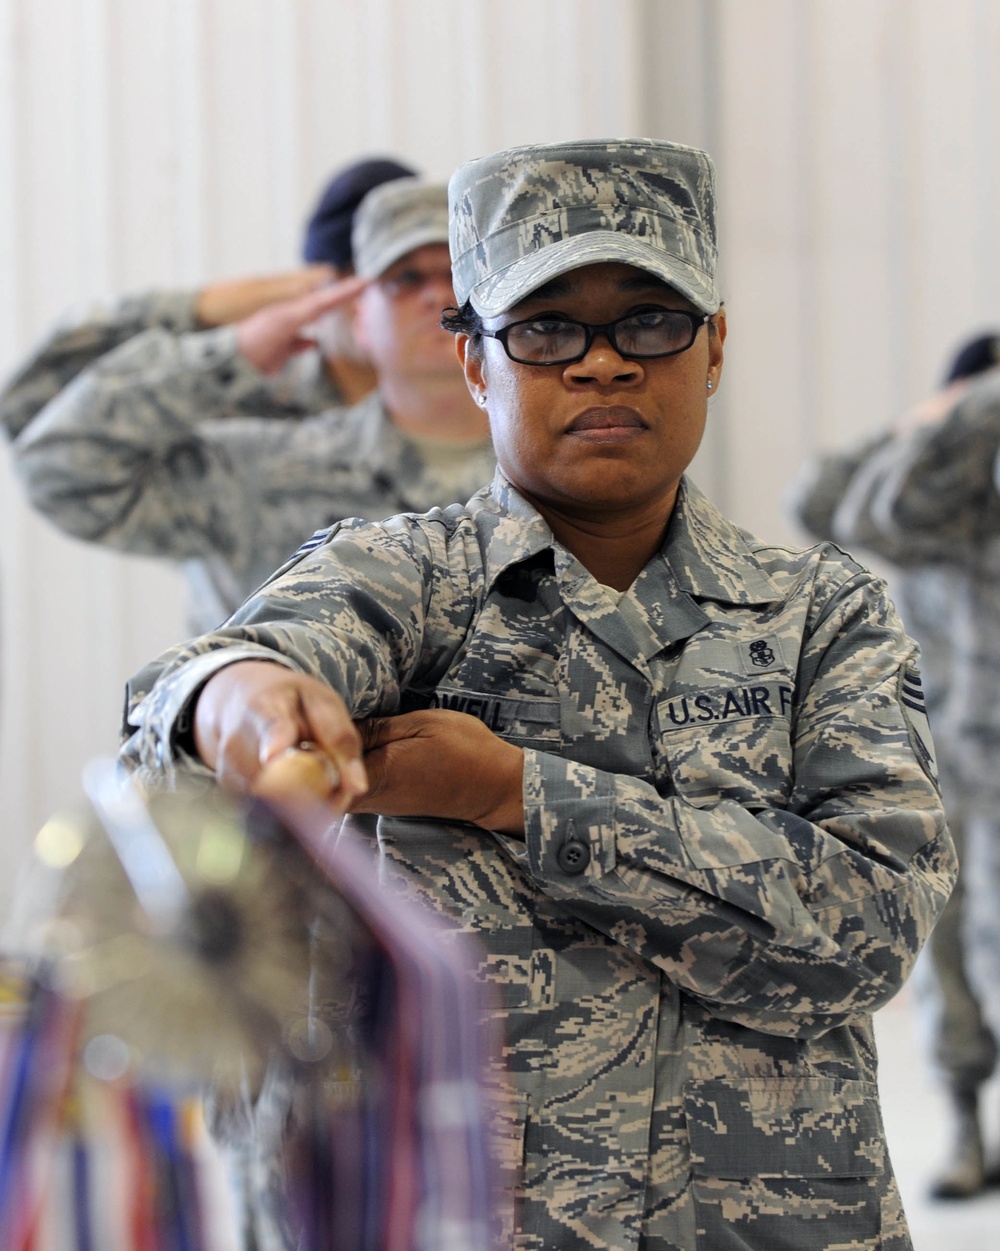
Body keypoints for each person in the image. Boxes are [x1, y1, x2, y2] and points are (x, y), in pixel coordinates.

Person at [121, 137, 955, 1251]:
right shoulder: (400, 579)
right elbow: (192, 709)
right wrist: (233, 695)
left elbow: (864, 929)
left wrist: (516, 793)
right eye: (544, 328)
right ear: (475, 363)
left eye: (650, 322)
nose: (601, 365)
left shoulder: (819, 614)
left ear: (713, 348)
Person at [10, 178, 495, 632]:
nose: (435, 294)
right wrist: (231, 353)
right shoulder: (268, 464)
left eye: (455, 275)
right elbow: (58, 470)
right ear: (359, 316)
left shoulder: (556, 461)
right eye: (404, 277)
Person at [787, 334, 1000, 1199]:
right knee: (944, 960)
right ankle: (966, 1128)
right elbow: (825, 501)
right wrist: (940, 415)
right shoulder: (925, 496)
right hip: (944, 760)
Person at [0, 155, 416, 445]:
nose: (373, 306)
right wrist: (201, 310)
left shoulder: (474, 392)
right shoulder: (244, 394)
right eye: (358, 284)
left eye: (411, 280)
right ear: (314, 287)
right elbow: (30, 411)